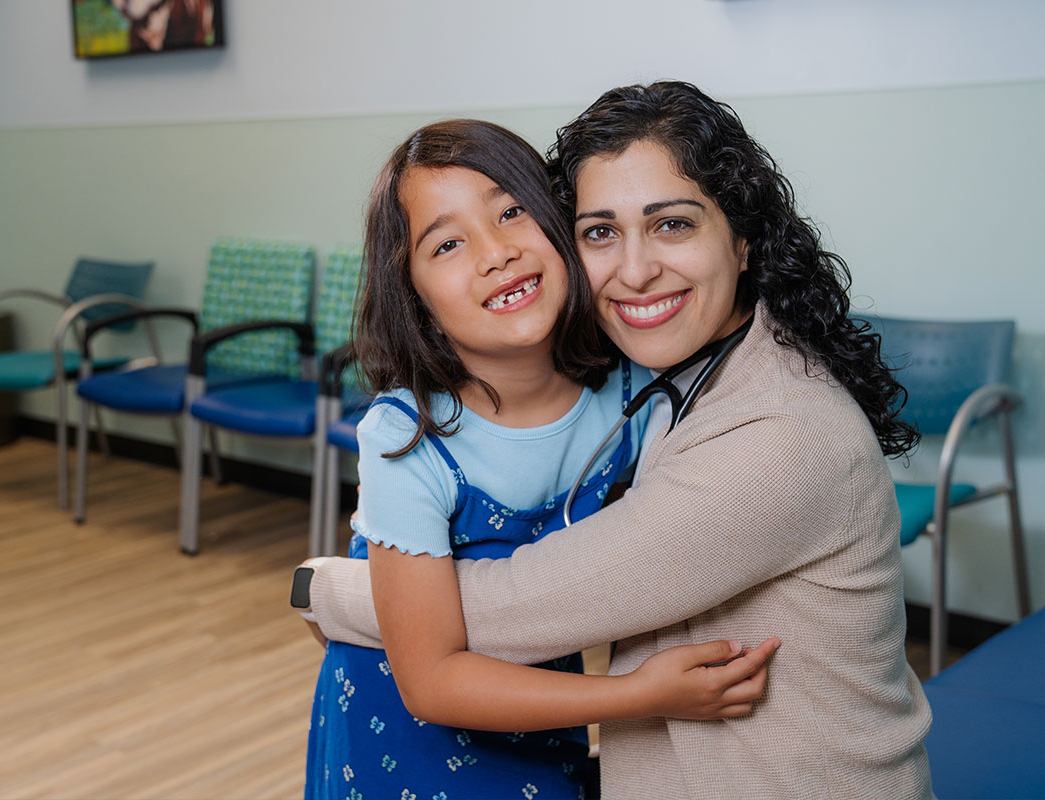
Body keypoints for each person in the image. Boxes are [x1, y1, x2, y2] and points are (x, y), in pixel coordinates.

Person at [302, 82, 934, 799]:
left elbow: (525, 605)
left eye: (672, 225)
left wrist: (330, 590)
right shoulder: (666, 373)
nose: (634, 271)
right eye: (601, 232)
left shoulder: (777, 435)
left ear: (744, 237)